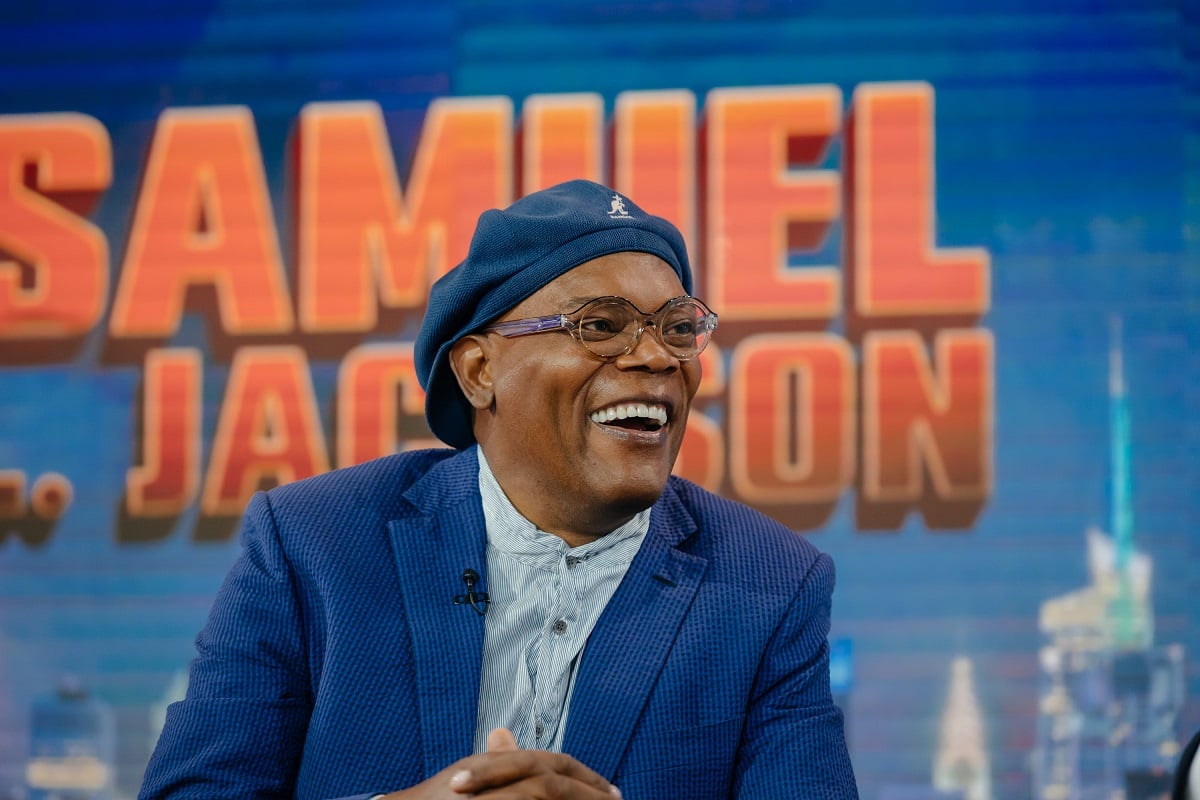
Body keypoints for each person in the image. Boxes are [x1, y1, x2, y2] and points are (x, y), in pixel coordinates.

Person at [138, 179, 858, 799]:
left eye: (676, 328)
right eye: (600, 325)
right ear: (480, 372)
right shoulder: (313, 544)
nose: (656, 357)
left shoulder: (771, 583)